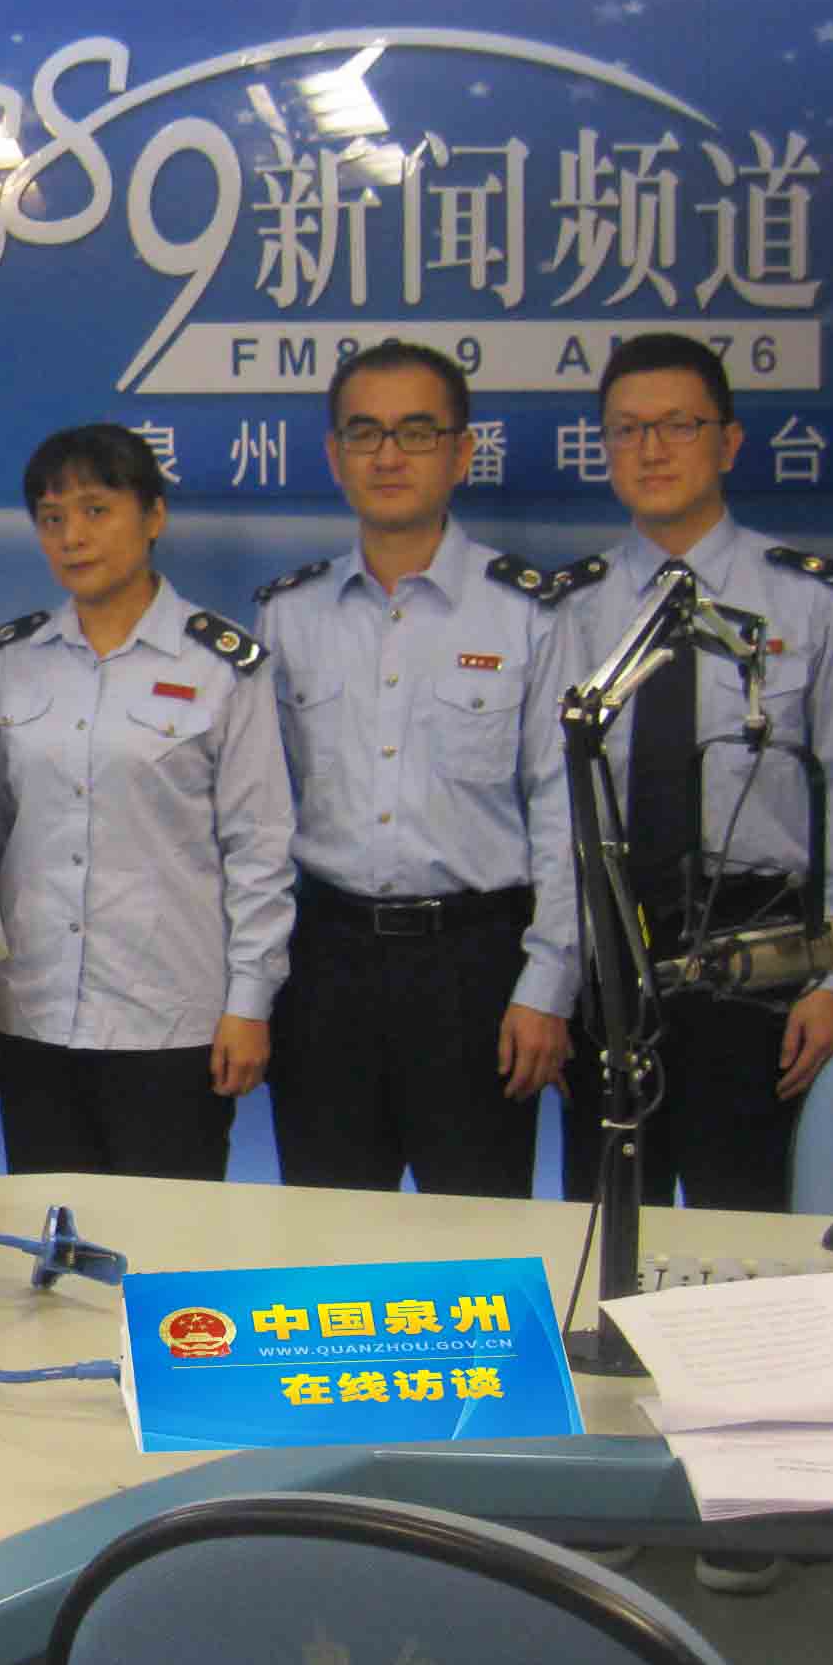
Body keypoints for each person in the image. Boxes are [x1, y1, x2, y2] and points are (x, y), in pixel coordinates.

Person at [539, 330, 833, 1214]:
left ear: (728, 442)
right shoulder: (572, 605)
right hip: (614, 946)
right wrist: (553, 979)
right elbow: (555, 808)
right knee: (608, 1214)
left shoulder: (812, 598)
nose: (651, 449)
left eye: (679, 425)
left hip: (760, 946)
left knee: (750, 1221)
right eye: (627, 430)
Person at [254, 342, 574, 1197]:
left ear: (462, 453)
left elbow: (564, 814)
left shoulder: (529, 614)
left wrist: (547, 984)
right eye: (365, 433)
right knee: (322, 1240)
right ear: (335, 456)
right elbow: (255, 820)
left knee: (476, 1240)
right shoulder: (288, 616)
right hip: (324, 964)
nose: (388, 455)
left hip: (476, 969)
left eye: (417, 432)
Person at [0, 423, 293, 1182]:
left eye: (96, 510)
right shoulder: (11, 665)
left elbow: (259, 847)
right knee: (49, 1237)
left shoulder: (221, 667)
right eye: (51, 518)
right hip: (34, 1012)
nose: (72, 536)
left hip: (170, 1018)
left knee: (169, 1241)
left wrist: (250, 1002)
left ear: (154, 515)